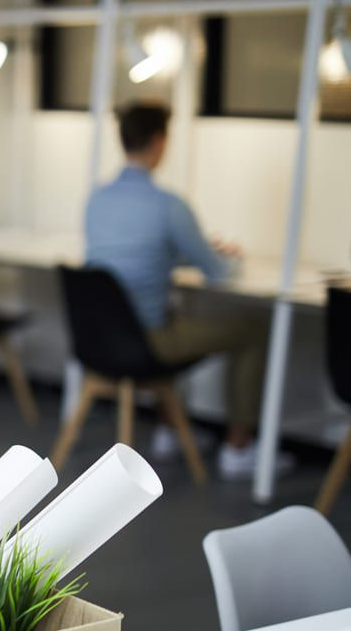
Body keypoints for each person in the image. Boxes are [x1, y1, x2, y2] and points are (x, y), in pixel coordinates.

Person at [84, 101, 290, 480]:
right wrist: (227, 256)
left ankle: (168, 430)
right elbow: (217, 274)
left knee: (175, 312)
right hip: (148, 340)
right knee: (253, 330)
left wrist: (178, 256)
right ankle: (239, 448)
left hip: (101, 339)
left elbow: (133, 257)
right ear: (160, 142)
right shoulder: (168, 206)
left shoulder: (97, 199)